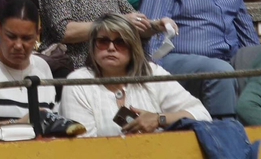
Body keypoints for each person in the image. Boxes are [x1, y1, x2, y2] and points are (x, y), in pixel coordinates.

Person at [60, 14, 210, 137]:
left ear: (133, 48)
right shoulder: (78, 82)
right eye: (103, 41)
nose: (111, 47)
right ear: (92, 47)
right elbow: (84, 147)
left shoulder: (152, 73)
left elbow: (202, 115)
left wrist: (159, 119)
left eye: (120, 42)